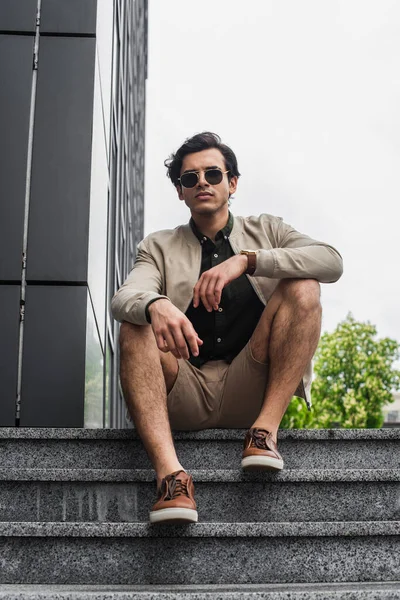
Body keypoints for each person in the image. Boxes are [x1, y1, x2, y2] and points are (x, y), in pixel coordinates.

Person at [111, 132, 343, 524]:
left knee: (304, 287)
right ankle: (172, 480)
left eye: (213, 174)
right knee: (136, 322)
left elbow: (331, 262)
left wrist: (249, 261)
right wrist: (156, 304)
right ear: (181, 192)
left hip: (251, 387)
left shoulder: (268, 229)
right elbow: (124, 297)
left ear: (232, 183)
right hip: (183, 388)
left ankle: (263, 435)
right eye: (190, 178)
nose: (202, 182)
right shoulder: (157, 246)